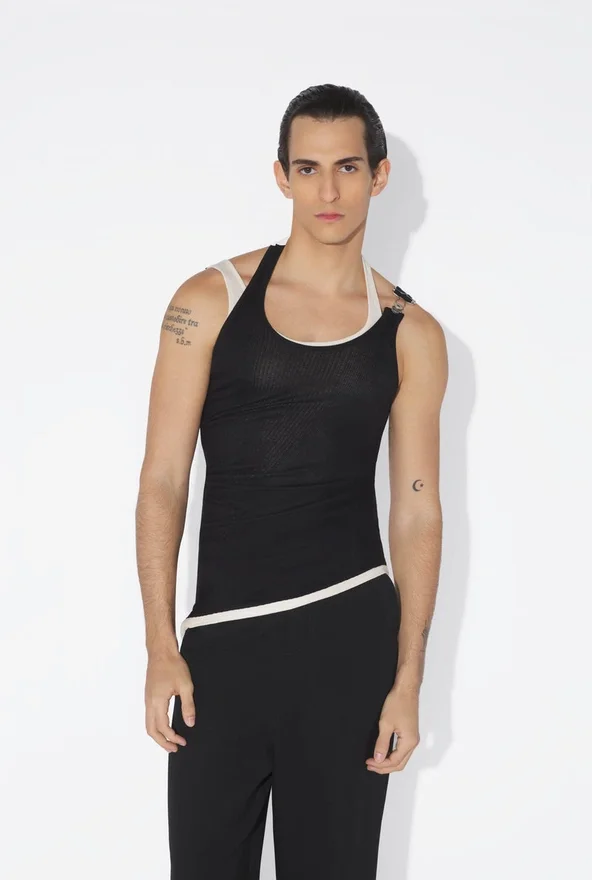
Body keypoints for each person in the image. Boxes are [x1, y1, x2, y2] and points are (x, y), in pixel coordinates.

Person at [135, 83, 448, 880]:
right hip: (223, 652)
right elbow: (163, 479)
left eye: (348, 168)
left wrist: (409, 678)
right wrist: (160, 645)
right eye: (308, 169)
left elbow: (417, 512)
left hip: (350, 646)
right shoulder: (208, 301)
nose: (328, 191)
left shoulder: (411, 333)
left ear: (379, 175)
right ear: (281, 176)